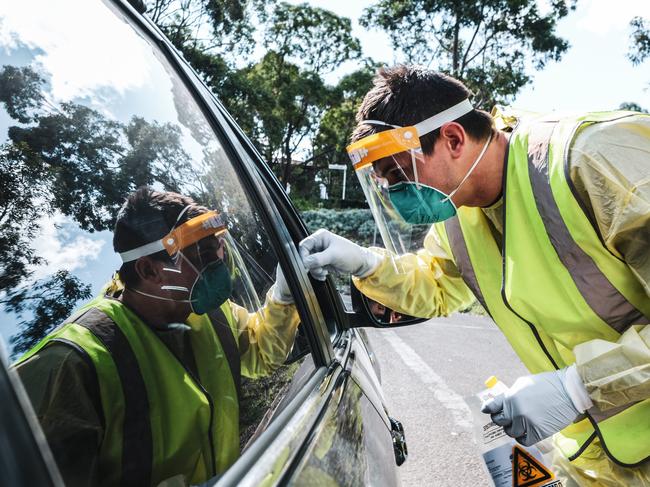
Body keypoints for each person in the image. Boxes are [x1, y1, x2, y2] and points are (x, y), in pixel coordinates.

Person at [299, 65, 650, 486]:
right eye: (384, 184)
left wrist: (578, 388)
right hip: (598, 453)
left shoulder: (593, 157)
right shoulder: (459, 215)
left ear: (452, 138)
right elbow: (434, 285)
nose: (395, 196)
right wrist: (365, 264)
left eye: (398, 174)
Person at [13, 187, 300, 486]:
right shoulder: (72, 363)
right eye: (202, 253)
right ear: (149, 270)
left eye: (217, 246)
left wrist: (285, 294)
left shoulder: (207, 313)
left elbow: (260, 352)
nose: (218, 260)